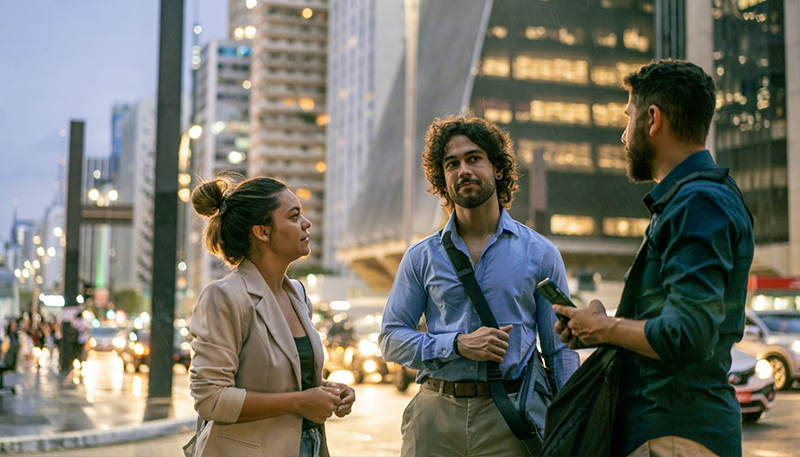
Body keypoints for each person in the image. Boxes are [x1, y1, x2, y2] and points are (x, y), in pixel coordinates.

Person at [553, 60, 754, 457]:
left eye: (628, 118)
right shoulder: (700, 197)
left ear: (653, 119)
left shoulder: (698, 203)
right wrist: (599, 326)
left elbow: (688, 334)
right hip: (675, 431)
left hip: (674, 435)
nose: (623, 135)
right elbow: (677, 320)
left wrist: (606, 328)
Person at [379, 115, 580, 456]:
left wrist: (573, 423)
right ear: (443, 179)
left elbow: (559, 350)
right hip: (434, 416)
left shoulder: (540, 253)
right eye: (452, 164)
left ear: (497, 169)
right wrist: (457, 344)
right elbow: (390, 339)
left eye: (474, 159)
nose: (463, 171)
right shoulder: (420, 257)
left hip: (511, 418)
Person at [188, 174, 355, 457]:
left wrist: (329, 391)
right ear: (262, 232)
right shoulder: (225, 296)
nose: (306, 223)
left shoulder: (298, 294)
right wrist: (300, 402)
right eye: (294, 216)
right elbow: (211, 399)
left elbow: (289, 382)